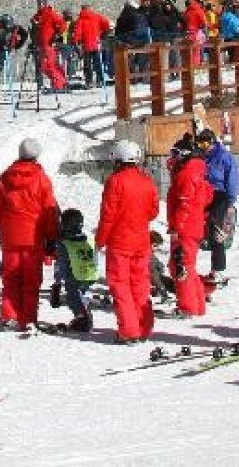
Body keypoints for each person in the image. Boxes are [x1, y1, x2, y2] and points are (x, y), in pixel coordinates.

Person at [0, 138, 59, 331]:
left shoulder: (5, 177)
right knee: (31, 279)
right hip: (33, 235)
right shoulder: (42, 179)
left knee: (10, 276)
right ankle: (29, 317)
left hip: (10, 233)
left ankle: (10, 315)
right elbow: (49, 209)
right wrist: (51, 236)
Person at [97, 139, 158, 343]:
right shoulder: (146, 180)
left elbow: (108, 216)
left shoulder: (115, 181)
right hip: (141, 242)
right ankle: (143, 327)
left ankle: (129, 330)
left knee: (121, 287)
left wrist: (100, 240)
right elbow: (153, 211)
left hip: (120, 243)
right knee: (140, 285)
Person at [165, 136, 212, 317]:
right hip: (194, 226)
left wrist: (177, 227)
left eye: (176, 154)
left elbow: (184, 204)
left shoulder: (186, 175)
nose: (173, 158)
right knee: (188, 266)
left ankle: (188, 307)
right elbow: (207, 198)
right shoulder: (197, 172)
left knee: (180, 265)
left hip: (185, 228)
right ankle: (197, 305)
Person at [195, 127, 239, 285]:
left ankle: (218, 269)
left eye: (206, 144)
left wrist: (230, 200)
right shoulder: (201, 157)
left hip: (220, 195)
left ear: (212, 142)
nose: (204, 147)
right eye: (200, 144)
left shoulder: (223, 156)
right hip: (203, 195)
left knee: (216, 229)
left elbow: (232, 177)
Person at [52, 208, 97, 333]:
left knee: (72, 297)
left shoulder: (64, 244)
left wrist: (57, 283)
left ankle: (82, 318)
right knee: (81, 296)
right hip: (88, 272)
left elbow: (61, 264)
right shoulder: (82, 239)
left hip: (74, 274)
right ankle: (84, 313)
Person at [30, 0, 68, 91]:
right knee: (47, 66)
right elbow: (34, 31)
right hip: (40, 45)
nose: (39, 5)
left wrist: (56, 36)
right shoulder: (36, 16)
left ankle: (59, 85)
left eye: (41, 3)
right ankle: (59, 83)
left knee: (48, 66)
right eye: (38, 3)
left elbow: (63, 24)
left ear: (45, 3)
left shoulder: (51, 13)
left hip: (49, 45)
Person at [74, 2, 112, 89]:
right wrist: (102, 31)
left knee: (87, 65)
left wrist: (77, 41)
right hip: (96, 43)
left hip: (86, 45)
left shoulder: (80, 20)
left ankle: (89, 82)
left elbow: (77, 33)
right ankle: (100, 80)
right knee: (98, 63)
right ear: (90, 8)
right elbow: (106, 23)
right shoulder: (96, 16)